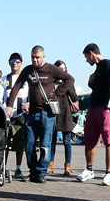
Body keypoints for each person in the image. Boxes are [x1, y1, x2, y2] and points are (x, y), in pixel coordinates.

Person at [5, 45, 75, 183]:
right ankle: (33, 171)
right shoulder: (28, 70)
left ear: (44, 57)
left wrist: (56, 93)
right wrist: (9, 105)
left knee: (45, 145)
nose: (35, 60)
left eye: (37, 57)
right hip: (31, 114)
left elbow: (70, 80)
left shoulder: (51, 69)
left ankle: (41, 172)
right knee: (29, 145)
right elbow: (17, 86)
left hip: (47, 114)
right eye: (33, 57)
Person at [78, 43, 110, 184]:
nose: (86, 60)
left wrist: (109, 107)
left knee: (109, 141)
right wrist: (90, 83)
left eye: (86, 56)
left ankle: (109, 173)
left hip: (106, 109)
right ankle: (89, 169)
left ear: (91, 53)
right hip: (93, 108)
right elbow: (98, 88)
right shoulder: (97, 69)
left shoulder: (109, 64)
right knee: (90, 140)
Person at [49, 60, 78, 175]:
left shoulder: (68, 81)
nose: (62, 70)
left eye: (64, 68)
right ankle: (50, 166)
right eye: (60, 68)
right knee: (52, 141)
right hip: (53, 112)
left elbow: (74, 97)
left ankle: (68, 167)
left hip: (65, 114)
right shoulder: (51, 81)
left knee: (67, 141)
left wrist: (68, 85)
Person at [3, 52, 28, 180]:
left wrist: (28, 104)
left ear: (21, 63)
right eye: (12, 60)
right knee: (4, 142)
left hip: (20, 115)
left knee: (20, 143)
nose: (15, 63)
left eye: (17, 61)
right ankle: (2, 167)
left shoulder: (26, 79)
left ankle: (18, 168)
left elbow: (31, 95)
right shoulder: (5, 79)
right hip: (7, 116)